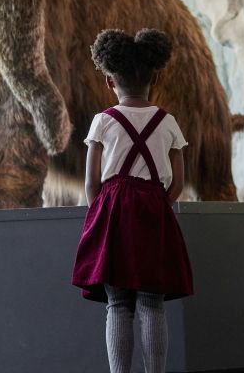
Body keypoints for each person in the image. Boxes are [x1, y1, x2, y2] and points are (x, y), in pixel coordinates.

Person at [71, 28, 193, 373]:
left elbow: (91, 182)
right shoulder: (167, 121)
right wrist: (156, 204)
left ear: (110, 81)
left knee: (118, 303)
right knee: (153, 300)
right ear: (154, 76)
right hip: (154, 209)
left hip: (112, 211)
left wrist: (103, 210)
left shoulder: (102, 121)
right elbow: (178, 181)